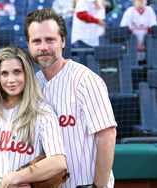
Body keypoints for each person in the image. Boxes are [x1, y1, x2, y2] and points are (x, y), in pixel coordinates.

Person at [24, 8, 117, 188]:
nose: (43, 47)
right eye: (36, 41)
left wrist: (98, 185)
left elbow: (107, 134)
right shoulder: (32, 84)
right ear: (29, 44)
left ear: (63, 41)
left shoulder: (84, 80)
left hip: (85, 183)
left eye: (50, 40)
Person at [0, 46, 67, 188]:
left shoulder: (42, 111)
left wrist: (14, 178)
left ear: (27, 74)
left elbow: (58, 161)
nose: (11, 80)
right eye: (4, 74)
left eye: (17, 72)